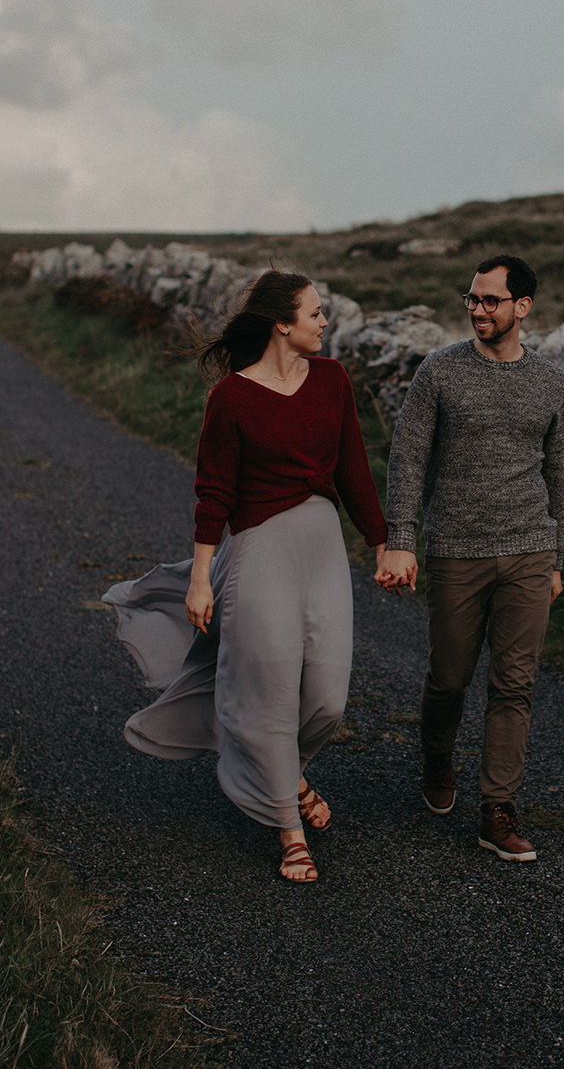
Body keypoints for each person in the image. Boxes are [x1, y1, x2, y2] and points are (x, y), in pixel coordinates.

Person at [105, 271, 387, 883]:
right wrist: (201, 577)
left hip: (321, 549)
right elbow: (214, 493)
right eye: (315, 312)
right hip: (258, 552)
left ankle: (284, 774)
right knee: (269, 689)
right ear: (282, 323)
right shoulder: (231, 398)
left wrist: (384, 542)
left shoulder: (333, 380)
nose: (324, 322)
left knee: (327, 698)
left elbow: (355, 472)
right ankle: (288, 826)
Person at [375, 254, 564, 861]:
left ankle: (497, 810)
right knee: (449, 679)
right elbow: (408, 458)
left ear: (522, 307)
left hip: (530, 551)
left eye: (490, 300)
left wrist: (557, 555)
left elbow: (559, 470)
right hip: (458, 551)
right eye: (472, 299)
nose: (478, 310)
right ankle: (437, 759)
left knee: (514, 685)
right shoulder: (439, 372)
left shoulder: (551, 381)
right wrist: (402, 538)